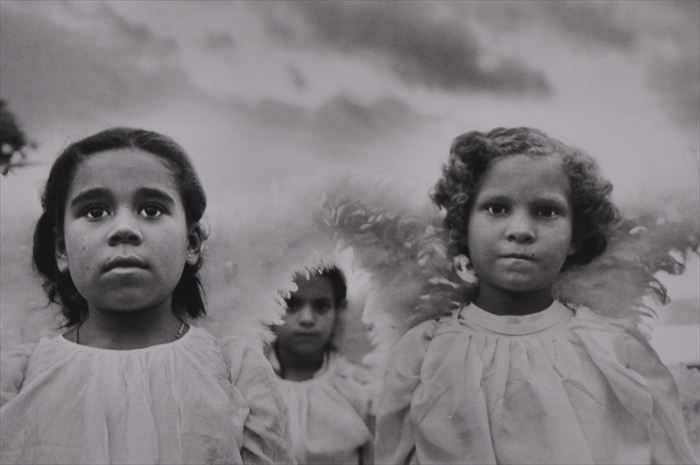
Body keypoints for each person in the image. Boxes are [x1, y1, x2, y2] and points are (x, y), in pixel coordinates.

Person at [373, 127, 698, 464]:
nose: (521, 231)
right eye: (497, 208)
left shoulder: (616, 351)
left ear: (575, 235)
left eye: (546, 211)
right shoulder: (422, 352)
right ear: (463, 224)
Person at [0, 128, 291, 465]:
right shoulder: (18, 377)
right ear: (61, 249)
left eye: (151, 210)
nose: (124, 229)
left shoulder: (235, 370)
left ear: (191, 244)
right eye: (95, 212)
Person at [270, 265, 373, 465]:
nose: (307, 319)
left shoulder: (359, 390)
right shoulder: (247, 383)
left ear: (338, 312)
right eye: (291, 304)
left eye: (321, 306)